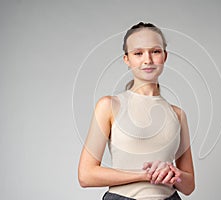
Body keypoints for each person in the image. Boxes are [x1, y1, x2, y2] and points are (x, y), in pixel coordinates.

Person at [78, 22, 195, 200]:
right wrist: (145, 175)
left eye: (155, 51)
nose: (147, 60)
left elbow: (189, 186)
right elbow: (86, 175)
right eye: (138, 53)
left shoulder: (178, 115)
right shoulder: (109, 106)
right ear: (127, 59)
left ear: (165, 56)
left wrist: (171, 171)